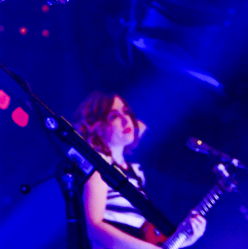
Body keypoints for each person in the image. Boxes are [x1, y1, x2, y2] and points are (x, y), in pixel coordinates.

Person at [73, 91, 207, 249]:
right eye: (114, 116)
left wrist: (187, 239)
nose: (125, 120)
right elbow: (95, 229)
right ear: (98, 126)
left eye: (126, 112)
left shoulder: (136, 173)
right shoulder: (99, 167)